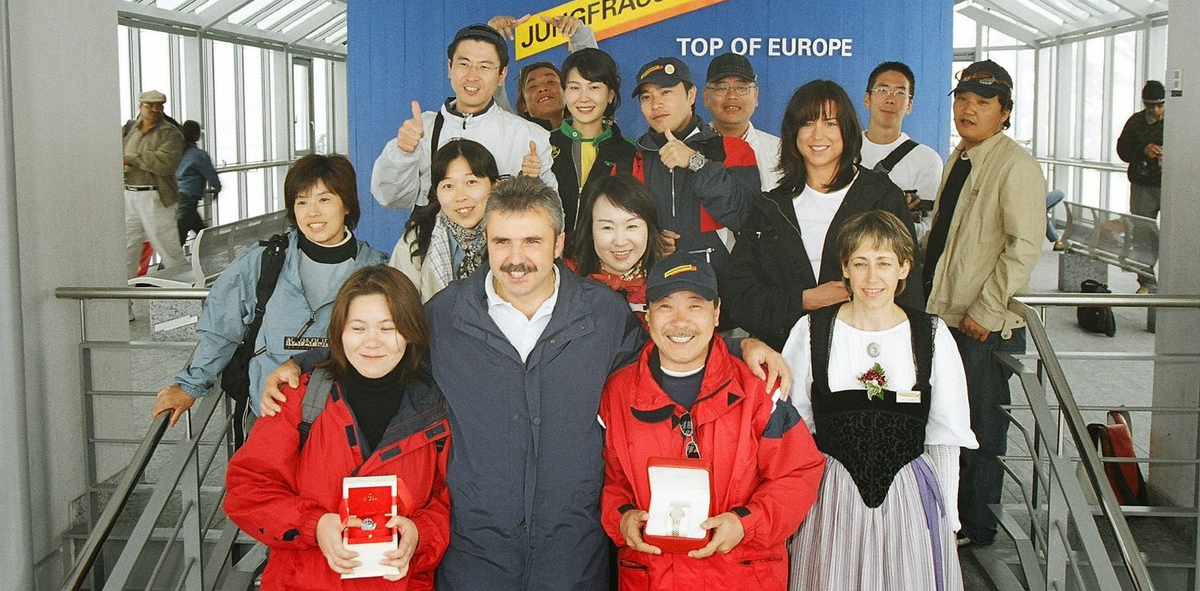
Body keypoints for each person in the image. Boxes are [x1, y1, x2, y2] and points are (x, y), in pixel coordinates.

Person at [262, 176, 791, 591]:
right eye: (502, 241)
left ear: (560, 242)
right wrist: (305, 366)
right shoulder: (446, 317)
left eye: (532, 241)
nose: (516, 258)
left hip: (573, 558)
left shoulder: (603, 315)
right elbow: (380, 350)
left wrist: (746, 341)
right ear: (485, 241)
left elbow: (677, 344)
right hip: (474, 557)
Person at [599, 251, 825, 590]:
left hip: (742, 576)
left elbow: (799, 472)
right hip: (653, 577)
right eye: (665, 306)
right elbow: (610, 482)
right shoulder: (618, 393)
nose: (680, 321)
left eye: (695, 305)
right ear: (647, 316)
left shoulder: (758, 388)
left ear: (716, 312)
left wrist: (746, 524)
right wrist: (623, 519)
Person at [782, 210, 976, 590]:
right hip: (829, 498)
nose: (872, 278)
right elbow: (793, 429)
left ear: (904, 268)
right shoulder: (812, 331)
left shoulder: (931, 335)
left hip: (909, 498)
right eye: (861, 263)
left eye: (884, 263)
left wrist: (949, 519)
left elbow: (944, 437)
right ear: (845, 269)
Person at [224, 265, 450, 589]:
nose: (372, 342)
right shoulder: (301, 398)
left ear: (410, 332)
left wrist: (420, 534)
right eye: (358, 328)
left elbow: (450, 501)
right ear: (339, 333)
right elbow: (246, 489)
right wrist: (314, 526)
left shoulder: (436, 410)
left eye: (388, 328)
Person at [151, 154, 388, 427]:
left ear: (346, 205)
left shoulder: (375, 268)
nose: (312, 213)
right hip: (270, 414)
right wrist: (190, 385)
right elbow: (222, 326)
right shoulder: (265, 261)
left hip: (345, 421)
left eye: (324, 199)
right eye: (301, 202)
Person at [922, 60, 1044, 548]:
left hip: (981, 325)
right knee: (947, 420)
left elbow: (1024, 246)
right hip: (946, 316)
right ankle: (950, 516)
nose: (968, 109)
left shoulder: (1015, 165)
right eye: (962, 99)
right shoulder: (962, 157)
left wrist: (987, 311)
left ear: (1005, 113)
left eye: (983, 103)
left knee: (982, 427)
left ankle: (977, 525)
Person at [722, 79, 923, 351]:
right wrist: (804, 300)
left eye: (830, 123)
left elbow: (909, 289)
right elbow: (740, 297)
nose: (818, 135)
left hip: (868, 359)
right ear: (793, 133)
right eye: (807, 123)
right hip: (786, 362)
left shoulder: (882, 197)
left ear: (848, 130)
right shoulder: (769, 207)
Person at [370, 23, 556, 213]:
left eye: (485, 66)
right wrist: (403, 153)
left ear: (502, 75)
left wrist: (533, 183)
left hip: (499, 242)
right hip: (431, 242)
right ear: (450, 68)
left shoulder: (529, 136)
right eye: (464, 64)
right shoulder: (424, 128)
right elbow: (391, 198)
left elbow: (552, 216)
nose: (472, 76)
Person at [627, 56, 760, 270]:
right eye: (646, 97)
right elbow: (615, 231)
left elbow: (745, 217)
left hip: (721, 289)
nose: (656, 104)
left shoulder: (732, 149)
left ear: (691, 95)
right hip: (655, 291)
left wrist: (695, 162)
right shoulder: (630, 160)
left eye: (666, 92)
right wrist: (647, 240)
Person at [389, 139, 499, 301]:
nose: (460, 196)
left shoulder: (511, 235)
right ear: (436, 192)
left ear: (495, 186)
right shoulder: (419, 238)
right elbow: (399, 306)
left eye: (471, 182)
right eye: (448, 186)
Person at [551, 46, 637, 234]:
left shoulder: (629, 151)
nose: (584, 98)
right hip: (551, 258)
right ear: (564, 92)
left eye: (594, 87)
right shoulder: (543, 144)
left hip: (607, 257)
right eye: (574, 87)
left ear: (610, 95)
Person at [858, 61, 944, 243]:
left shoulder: (927, 160)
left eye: (900, 93)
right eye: (882, 90)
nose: (890, 99)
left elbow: (928, 229)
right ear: (867, 99)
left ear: (909, 105)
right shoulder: (843, 150)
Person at [566, 174, 665, 325]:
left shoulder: (668, 284)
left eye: (631, 226)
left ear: (649, 229)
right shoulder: (564, 280)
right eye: (607, 227)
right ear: (590, 230)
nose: (620, 241)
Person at [489, 12, 598, 129]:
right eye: (532, 86)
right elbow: (490, 94)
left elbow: (591, 78)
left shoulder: (591, 130)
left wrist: (578, 33)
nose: (543, 88)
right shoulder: (512, 136)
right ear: (524, 104)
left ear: (568, 94)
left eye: (551, 82)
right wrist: (490, 38)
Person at [122, 89, 185, 277]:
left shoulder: (170, 133)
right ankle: (123, 293)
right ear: (140, 107)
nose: (154, 110)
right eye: (149, 105)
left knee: (167, 246)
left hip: (155, 196)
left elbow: (166, 162)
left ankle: (183, 292)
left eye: (159, 106)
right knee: (127, 248)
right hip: (129, 195)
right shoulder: (131, 130)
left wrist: (132, 159)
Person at [703, 51, 781, 191]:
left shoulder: (780, 152)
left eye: (741, 87)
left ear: (756, 95)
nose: (732, 95)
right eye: (722, 88)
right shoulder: (688, 150)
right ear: (706, 97)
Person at [1116, 79, 1165, 291]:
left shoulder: (1179, 120)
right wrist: (1143, 151)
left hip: (1170, 185)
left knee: (1177, 231)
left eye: (1160, 105)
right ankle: (1146, 281)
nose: (1155, 110)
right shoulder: (1135, 122)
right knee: (1144, 233)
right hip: (1143, 185)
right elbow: (1122, 151)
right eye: (1150, 105)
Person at [175, 119, 222, 247]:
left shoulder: (178, 152)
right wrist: (217, 187)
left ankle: (210, 253)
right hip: (189, 196)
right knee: (181, 234)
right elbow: (210, 173)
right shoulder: (198, 155)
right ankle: (164, 267)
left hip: (177, 194)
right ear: (196, 135)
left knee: (200, 229)